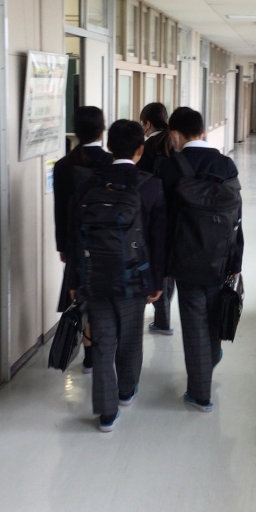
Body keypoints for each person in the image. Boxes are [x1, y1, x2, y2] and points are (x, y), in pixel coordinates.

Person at [66, 120, 166, 432]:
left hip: (94, 277)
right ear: (140, 150)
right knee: (131, 337)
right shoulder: (150, 185)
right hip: (134, 277)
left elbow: (74, 237)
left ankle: (106, 413)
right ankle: (126, 391)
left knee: (103, 341)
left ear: (109, 147)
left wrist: (74, 281)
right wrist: (157, 281)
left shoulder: (88, 184)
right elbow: (158, 239)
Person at [158, 107, 243, 412]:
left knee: (194, 321)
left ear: (174, 134)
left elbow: (162, 221)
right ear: (203, 131)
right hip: (221, 256)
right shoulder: (226, 164)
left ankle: (200, 393)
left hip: (186, 257)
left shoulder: (169, 167)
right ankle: (211, 356)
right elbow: (237, 217)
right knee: (214, 311)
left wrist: (162, 264)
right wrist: (236, 260)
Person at [53, 106, 111, 372]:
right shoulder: (110, 162)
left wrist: (63, 246)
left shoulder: (64, 165)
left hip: (77, 241)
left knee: (81, 295)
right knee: (103, 295)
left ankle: (89, 356)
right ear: (102, 130)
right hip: (108, 241)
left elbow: (60, 210)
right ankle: (101, 349)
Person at [138, 102, 175, 335]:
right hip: (175, 213)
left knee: (156, 261)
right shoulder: (173, 142)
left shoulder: (147, 148)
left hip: (153, 213)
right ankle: (164, 317)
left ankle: (162, 320)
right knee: (168, 265)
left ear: (148, 123)